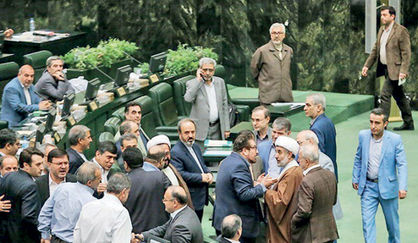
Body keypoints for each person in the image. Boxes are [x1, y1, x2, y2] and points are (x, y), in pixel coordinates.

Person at [352, 108, 407, 243]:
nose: (373, 126)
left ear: (385, 123)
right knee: (367, 223)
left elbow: (402, 164)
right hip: (368, 187)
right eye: (371, 122)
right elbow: (358, 158)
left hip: (388, 187)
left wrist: (403, 186)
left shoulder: (395, 139)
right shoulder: (363, 136)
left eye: (377, 123)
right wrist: (355, 177)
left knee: (392, 226)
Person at [213, 130, 277, 243]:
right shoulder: (239, 165)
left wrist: (254, 183)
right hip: (235, 227)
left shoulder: (229, 160)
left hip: (225, 221)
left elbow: (235, 186)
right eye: (254, 148)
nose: (257, 152)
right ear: (245, 151)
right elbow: (244, 194)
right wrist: (262, 186)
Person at [361, 6, 413, 131]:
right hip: (385, 69)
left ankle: (382, 124)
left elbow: (406, 53)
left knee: (384, 95)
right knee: (399, 96)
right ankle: (409, 122)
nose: (382, 17)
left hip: (396, 71)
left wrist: (403, 71)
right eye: (381, 15)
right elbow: (375, 50)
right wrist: (366, 65)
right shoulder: (381, 30)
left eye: (385, 15)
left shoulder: (401, 31)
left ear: (392, 16)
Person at [37, 162, 101, 243]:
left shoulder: (62, 188)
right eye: (99, 179)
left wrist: (45, 235)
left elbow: (45, 212)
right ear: (89, 182)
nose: (100, 182)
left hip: (55, 239)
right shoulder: (93, 203)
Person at [292, 144, 338, 243]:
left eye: (300, 158)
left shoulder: (307, 181)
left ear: (307, 161)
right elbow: (333, 201)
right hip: (329, 231)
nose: (298, 161)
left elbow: (304, 211)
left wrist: (293, 220)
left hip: (313, 235)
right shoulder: (330, 175)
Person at [171, 118, 212, 221]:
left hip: (201, 196)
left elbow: (201, 166)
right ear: (179, 133)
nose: (190, 135)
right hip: (190, 199)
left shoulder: (196, 147)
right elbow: (180, 174)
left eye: (192, 132)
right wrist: (201, 177)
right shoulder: (176, 152)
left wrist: (208, 173)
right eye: (187, 132)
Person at [184, 57, 230, 149]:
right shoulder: (192, 83)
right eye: (205, 70)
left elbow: (224, 106)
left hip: (217, 128)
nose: (208, 73)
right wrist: (198, 80)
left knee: (216, 157)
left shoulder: (220, 82)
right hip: (200, 129)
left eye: (210, 70)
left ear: (214, 70)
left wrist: (226, 128)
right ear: (200, 69)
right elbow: (188, 99)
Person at [73, 173, 133, 243]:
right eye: (128, 192)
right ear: (124, 192)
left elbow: (77, 237)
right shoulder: (121, 213)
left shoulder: (88, 206)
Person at [0, 147, 44, 242]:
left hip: (5, 236)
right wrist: (41, 234)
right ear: (26, 165)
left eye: (42, 163)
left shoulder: (8, 176)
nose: (42, 168)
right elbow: (28, 217)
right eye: (38, 164)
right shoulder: (30, 186)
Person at [124, 147, 171, 233]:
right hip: (160, 232)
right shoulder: (160, 176)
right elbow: (174, 198)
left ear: (125, 164)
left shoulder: (123, 182)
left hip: (135, 235)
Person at [265, 136, 303, 243]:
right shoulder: (290, 170)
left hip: (285, 229)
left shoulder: (291, 174)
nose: (276, 156)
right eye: (276, 152)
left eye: (279, 152)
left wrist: (263, 189)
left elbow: (280, 201)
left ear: (290, 154)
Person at [137, 185, 203, 243]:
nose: (163, 202)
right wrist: (142, 236)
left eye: (165, 200)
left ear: (175, 203)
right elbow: (164, 228)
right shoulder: (186, 211)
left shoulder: (181, 227)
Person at [251, 23, 294, 105]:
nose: (277, 36)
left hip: (286, 95)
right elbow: (254, 69)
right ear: (270, 35)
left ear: (284, 35)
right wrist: (264, 81)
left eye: (279, 33)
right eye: (274, 33)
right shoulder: (262, 51)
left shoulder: (289, 50)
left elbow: (290, 70)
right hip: (268, 96)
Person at [146, 134, 194, 209]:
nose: (165, 157)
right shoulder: (149, 173)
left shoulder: (171, 167)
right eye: (162, 154)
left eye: (167, 153)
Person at [304, 93, 338, 181]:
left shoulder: (316, 128)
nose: (305, 108)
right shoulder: (328, 122)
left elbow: (318, 155)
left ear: (319, 107)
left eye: (308, 105)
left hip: (323, 176)